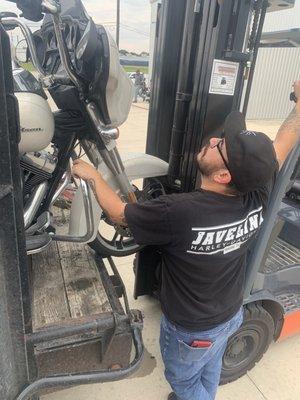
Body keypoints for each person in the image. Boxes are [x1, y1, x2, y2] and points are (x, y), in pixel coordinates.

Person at [72, 81, 300, 400]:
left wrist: (92, 175)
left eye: (220, 146)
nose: (213, 140)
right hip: (229, 313)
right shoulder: (257, 193)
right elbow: (283, 141)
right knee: (209, 367)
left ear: (223, 177)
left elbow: (120, 214)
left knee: (184, 381)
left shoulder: (178, 213)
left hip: (191, 331)